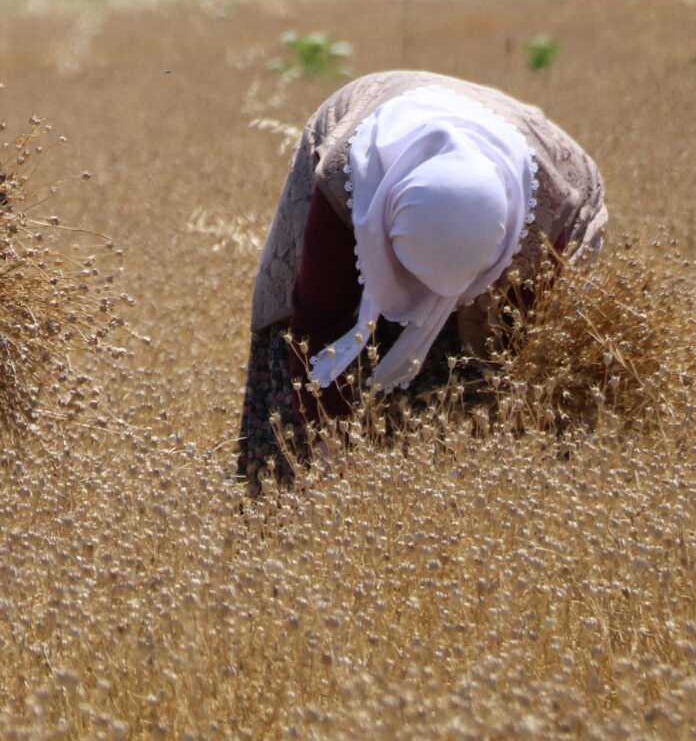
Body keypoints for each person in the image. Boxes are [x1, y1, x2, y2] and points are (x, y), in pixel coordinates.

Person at [236, 70, 608, 485]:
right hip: (362, 128)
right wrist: (327, 450)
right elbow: (318, 326)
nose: (432, 296)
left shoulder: (546, 221)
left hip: (532, 167)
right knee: (296, 386)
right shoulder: (343, 182)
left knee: (483, 376)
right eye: (414, 274)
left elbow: (524, 352)